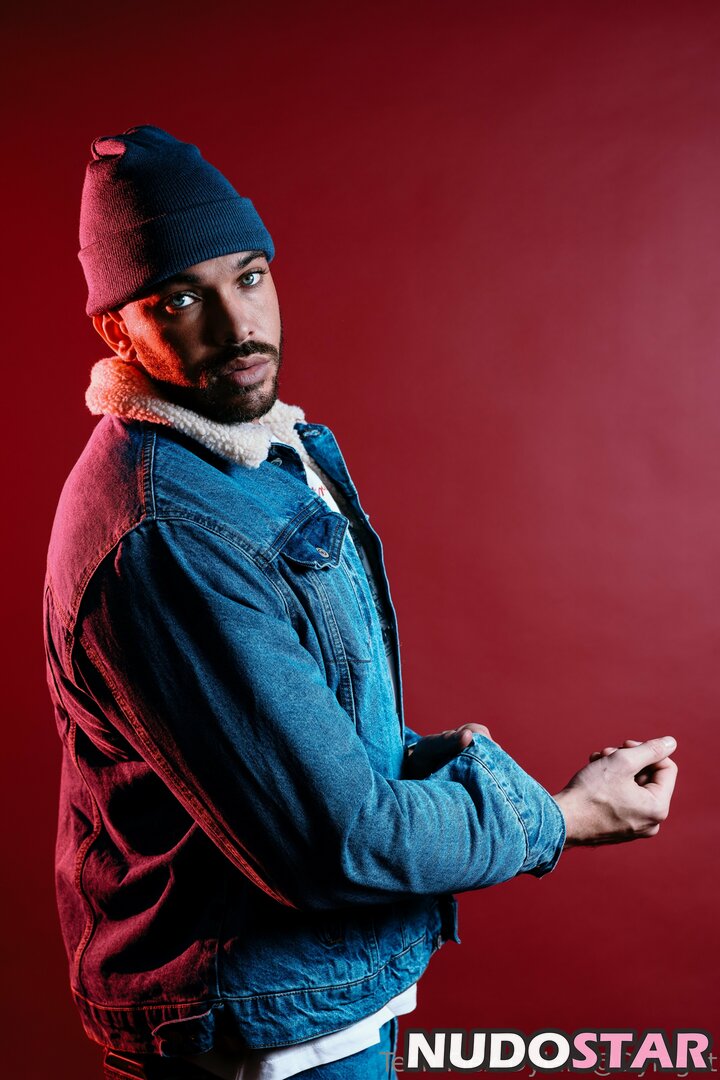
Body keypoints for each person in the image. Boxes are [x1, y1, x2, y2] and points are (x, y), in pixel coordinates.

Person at [44, 126, 678, 1080]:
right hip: (268, 1035)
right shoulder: (169, 531)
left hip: (314, 1001)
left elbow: (302, 738)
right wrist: (560, 817)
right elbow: (333, 841)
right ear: (116, 330)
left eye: (249, 277)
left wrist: (449, 773)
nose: (236, 325)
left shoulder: (251, 456)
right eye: (180, 299)